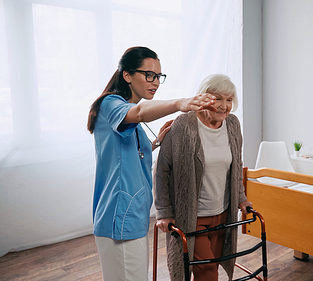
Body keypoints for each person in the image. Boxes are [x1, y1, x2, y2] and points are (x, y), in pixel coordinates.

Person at [87, 46, 216, 281]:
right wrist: (180, 103)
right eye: (149, 75)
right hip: (120, 217)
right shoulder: (111, 104)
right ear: (127, 75)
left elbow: (126, 153)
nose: (155, 82)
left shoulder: (127, 116)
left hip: (133, 215)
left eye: (158, 76)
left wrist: (155, 143)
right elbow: (139, 112)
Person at [154, 74, 253, 281]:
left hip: (223, 213)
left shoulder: (232, 124)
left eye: (229, 100)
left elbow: (236, 166)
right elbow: (162, 170)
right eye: (217, 98)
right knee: (207, 271)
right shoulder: (183, 125)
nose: (224, 106)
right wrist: (163, 211)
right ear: (204, 98)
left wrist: (241, 198)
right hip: (192, 216)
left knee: (210, 267)